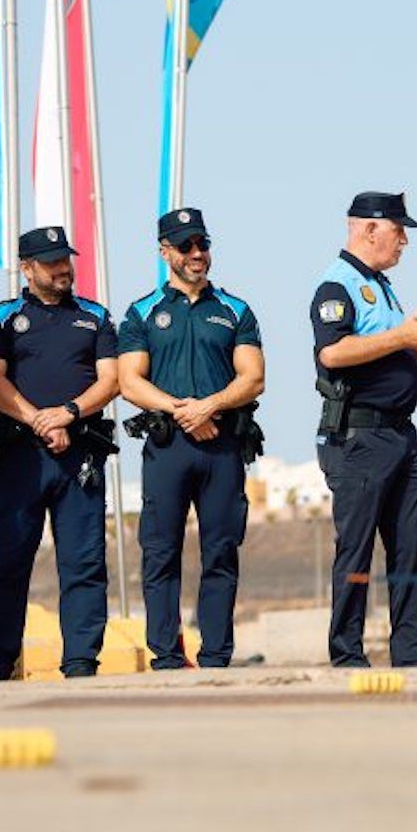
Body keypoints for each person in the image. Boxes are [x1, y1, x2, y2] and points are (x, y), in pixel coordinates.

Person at [311, 191, 417, 668]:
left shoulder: (383, 286)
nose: (404, 243)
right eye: (399, 232)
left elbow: (382, 348)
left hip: (400, 436)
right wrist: (402, 337)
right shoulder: (337, 286)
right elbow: (332, 353)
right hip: (361, 437)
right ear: (369, 228)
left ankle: (411, 654)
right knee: (356, 552)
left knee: (409, 552)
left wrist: (416, 347)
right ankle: (347, 653)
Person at [118, 208, 265, 670]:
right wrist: (182, 410)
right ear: (165, 253)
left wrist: (210, 406)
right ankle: (165, 655)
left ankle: (217, 655)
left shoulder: (235, 310)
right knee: (160, 553)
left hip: (222, 447)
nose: (197, 254)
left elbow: (254, 377)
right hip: (168, 448)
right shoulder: (142, 312)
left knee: (221, 551)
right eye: (186, 247)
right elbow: (129, 381)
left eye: (203, 244)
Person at [0, 227, 120, 680]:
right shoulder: (0, 317)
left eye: (66, 260)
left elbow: (110, 380)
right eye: (52, 261)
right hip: (21, 456)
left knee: (84, 563)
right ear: (27, 268)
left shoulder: (94, 316)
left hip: (80, 456)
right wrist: (39, 419)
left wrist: (68, 415)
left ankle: (80, 662)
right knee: (8, 563)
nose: (63, 269)